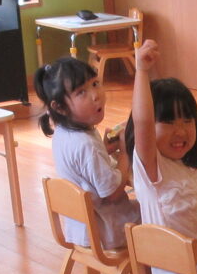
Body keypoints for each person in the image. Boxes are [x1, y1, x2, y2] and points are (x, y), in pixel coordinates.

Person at [124, 39, 197, 274]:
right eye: (169, 122)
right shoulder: (152, 171)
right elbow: (142, 121)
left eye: (187, 120)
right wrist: (141, 71)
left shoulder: (189, 167)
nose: (181, 131)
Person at [35, 55, 137, 251]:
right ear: (60, 107)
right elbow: (113, 193)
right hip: (107, 230)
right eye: (81, 92)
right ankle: (149, 270)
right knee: (156, 215)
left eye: (95, 83)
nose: (95, 95)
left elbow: (82, 167)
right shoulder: (87, 145)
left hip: (81, 228)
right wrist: (125, 154)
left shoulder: (64, 133)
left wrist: (104, 149)